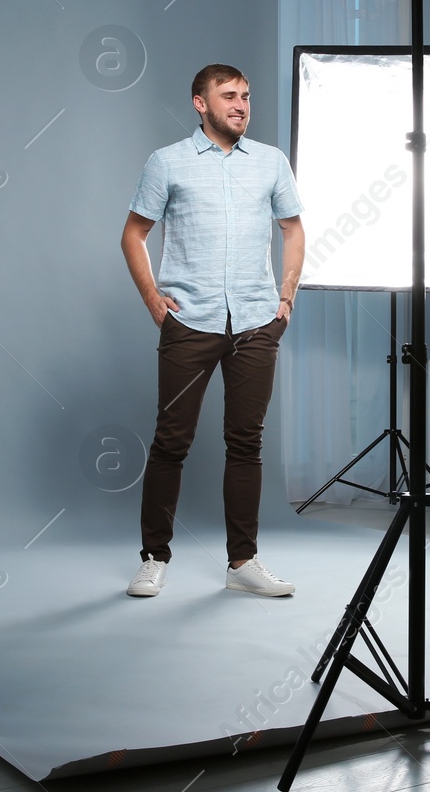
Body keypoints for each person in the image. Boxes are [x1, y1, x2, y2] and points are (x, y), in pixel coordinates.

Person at [120, 64, 305, 599]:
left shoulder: (271, 162)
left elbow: (293, 229)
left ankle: (242, 562)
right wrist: (154, 300)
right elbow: (134, 235)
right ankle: (154, 557)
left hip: (255, 321)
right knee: (171, 441)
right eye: (228, 97)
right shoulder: (167, 163)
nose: (241, 105)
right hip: (190, 321)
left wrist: (285, 298)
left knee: (246, 442)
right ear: (200, 103)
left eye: (246, 96)